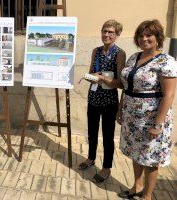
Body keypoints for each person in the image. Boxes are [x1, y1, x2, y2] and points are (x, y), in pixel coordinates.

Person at [117, 20, 177, 200]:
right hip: (132, 116)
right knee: (136, 153)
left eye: (149, 35)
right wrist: (121, 109)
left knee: (151, 159)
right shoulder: (134, 57)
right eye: (141, 35)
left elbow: (168, 95)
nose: (144, 39)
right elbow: (127, 86)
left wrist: (158, 125)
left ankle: (147, 196)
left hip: (152, 119)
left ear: (158, 37)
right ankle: (137, 186)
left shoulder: (167, 61)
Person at [78, 20, 126, 183]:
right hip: (93, 98)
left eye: (111, 32)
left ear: (117, 35)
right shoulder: (96, 51)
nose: (106, 35)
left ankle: (106, 168)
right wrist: (90, 76)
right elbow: (92, 72)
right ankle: (91, 158)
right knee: (91, 131)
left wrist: (103, 78)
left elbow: (121, 83)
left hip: (109, 101)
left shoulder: (119, 53)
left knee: (107, 135)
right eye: (104, 31)